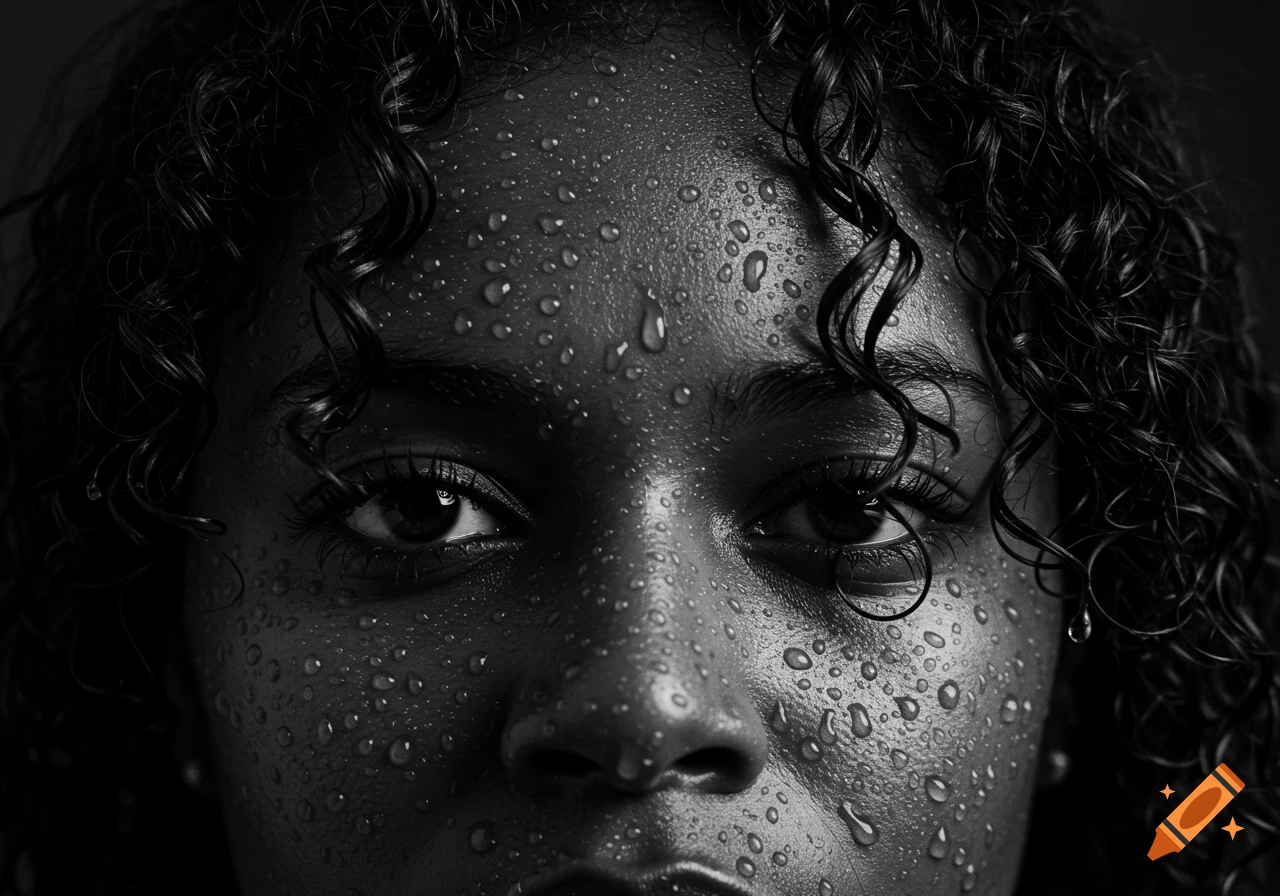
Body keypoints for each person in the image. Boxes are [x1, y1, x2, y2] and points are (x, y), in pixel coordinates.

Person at [1, 0, 1276, 893]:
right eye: (420, 510)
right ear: (168, 644)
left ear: (1076, 630)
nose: (639, 705)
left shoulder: (1186, 812)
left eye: (848, 510)